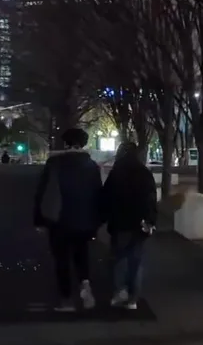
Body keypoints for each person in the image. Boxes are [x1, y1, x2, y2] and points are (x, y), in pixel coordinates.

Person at [33, 127, 104, 311]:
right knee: (81, 254)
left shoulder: (54, 163)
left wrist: (39, 220)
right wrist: (97, 221)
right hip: (84, 220)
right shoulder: (92, 166)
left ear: (65, 143)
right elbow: (98, 194)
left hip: (59, 220)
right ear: (84, 144)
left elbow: (42, 192)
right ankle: (85, 282)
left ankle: (66, 300)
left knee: (61, 259)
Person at [100, 142, 158, 310]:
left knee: (119, 258)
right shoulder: (144, 173)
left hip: (120, 223)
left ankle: (120, 291)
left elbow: (106, 197)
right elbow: (151, 200)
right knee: (136, 261)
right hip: (139, 224)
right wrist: (150, 221)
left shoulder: (117, 173)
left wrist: (103, 218)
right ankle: (133, 298)